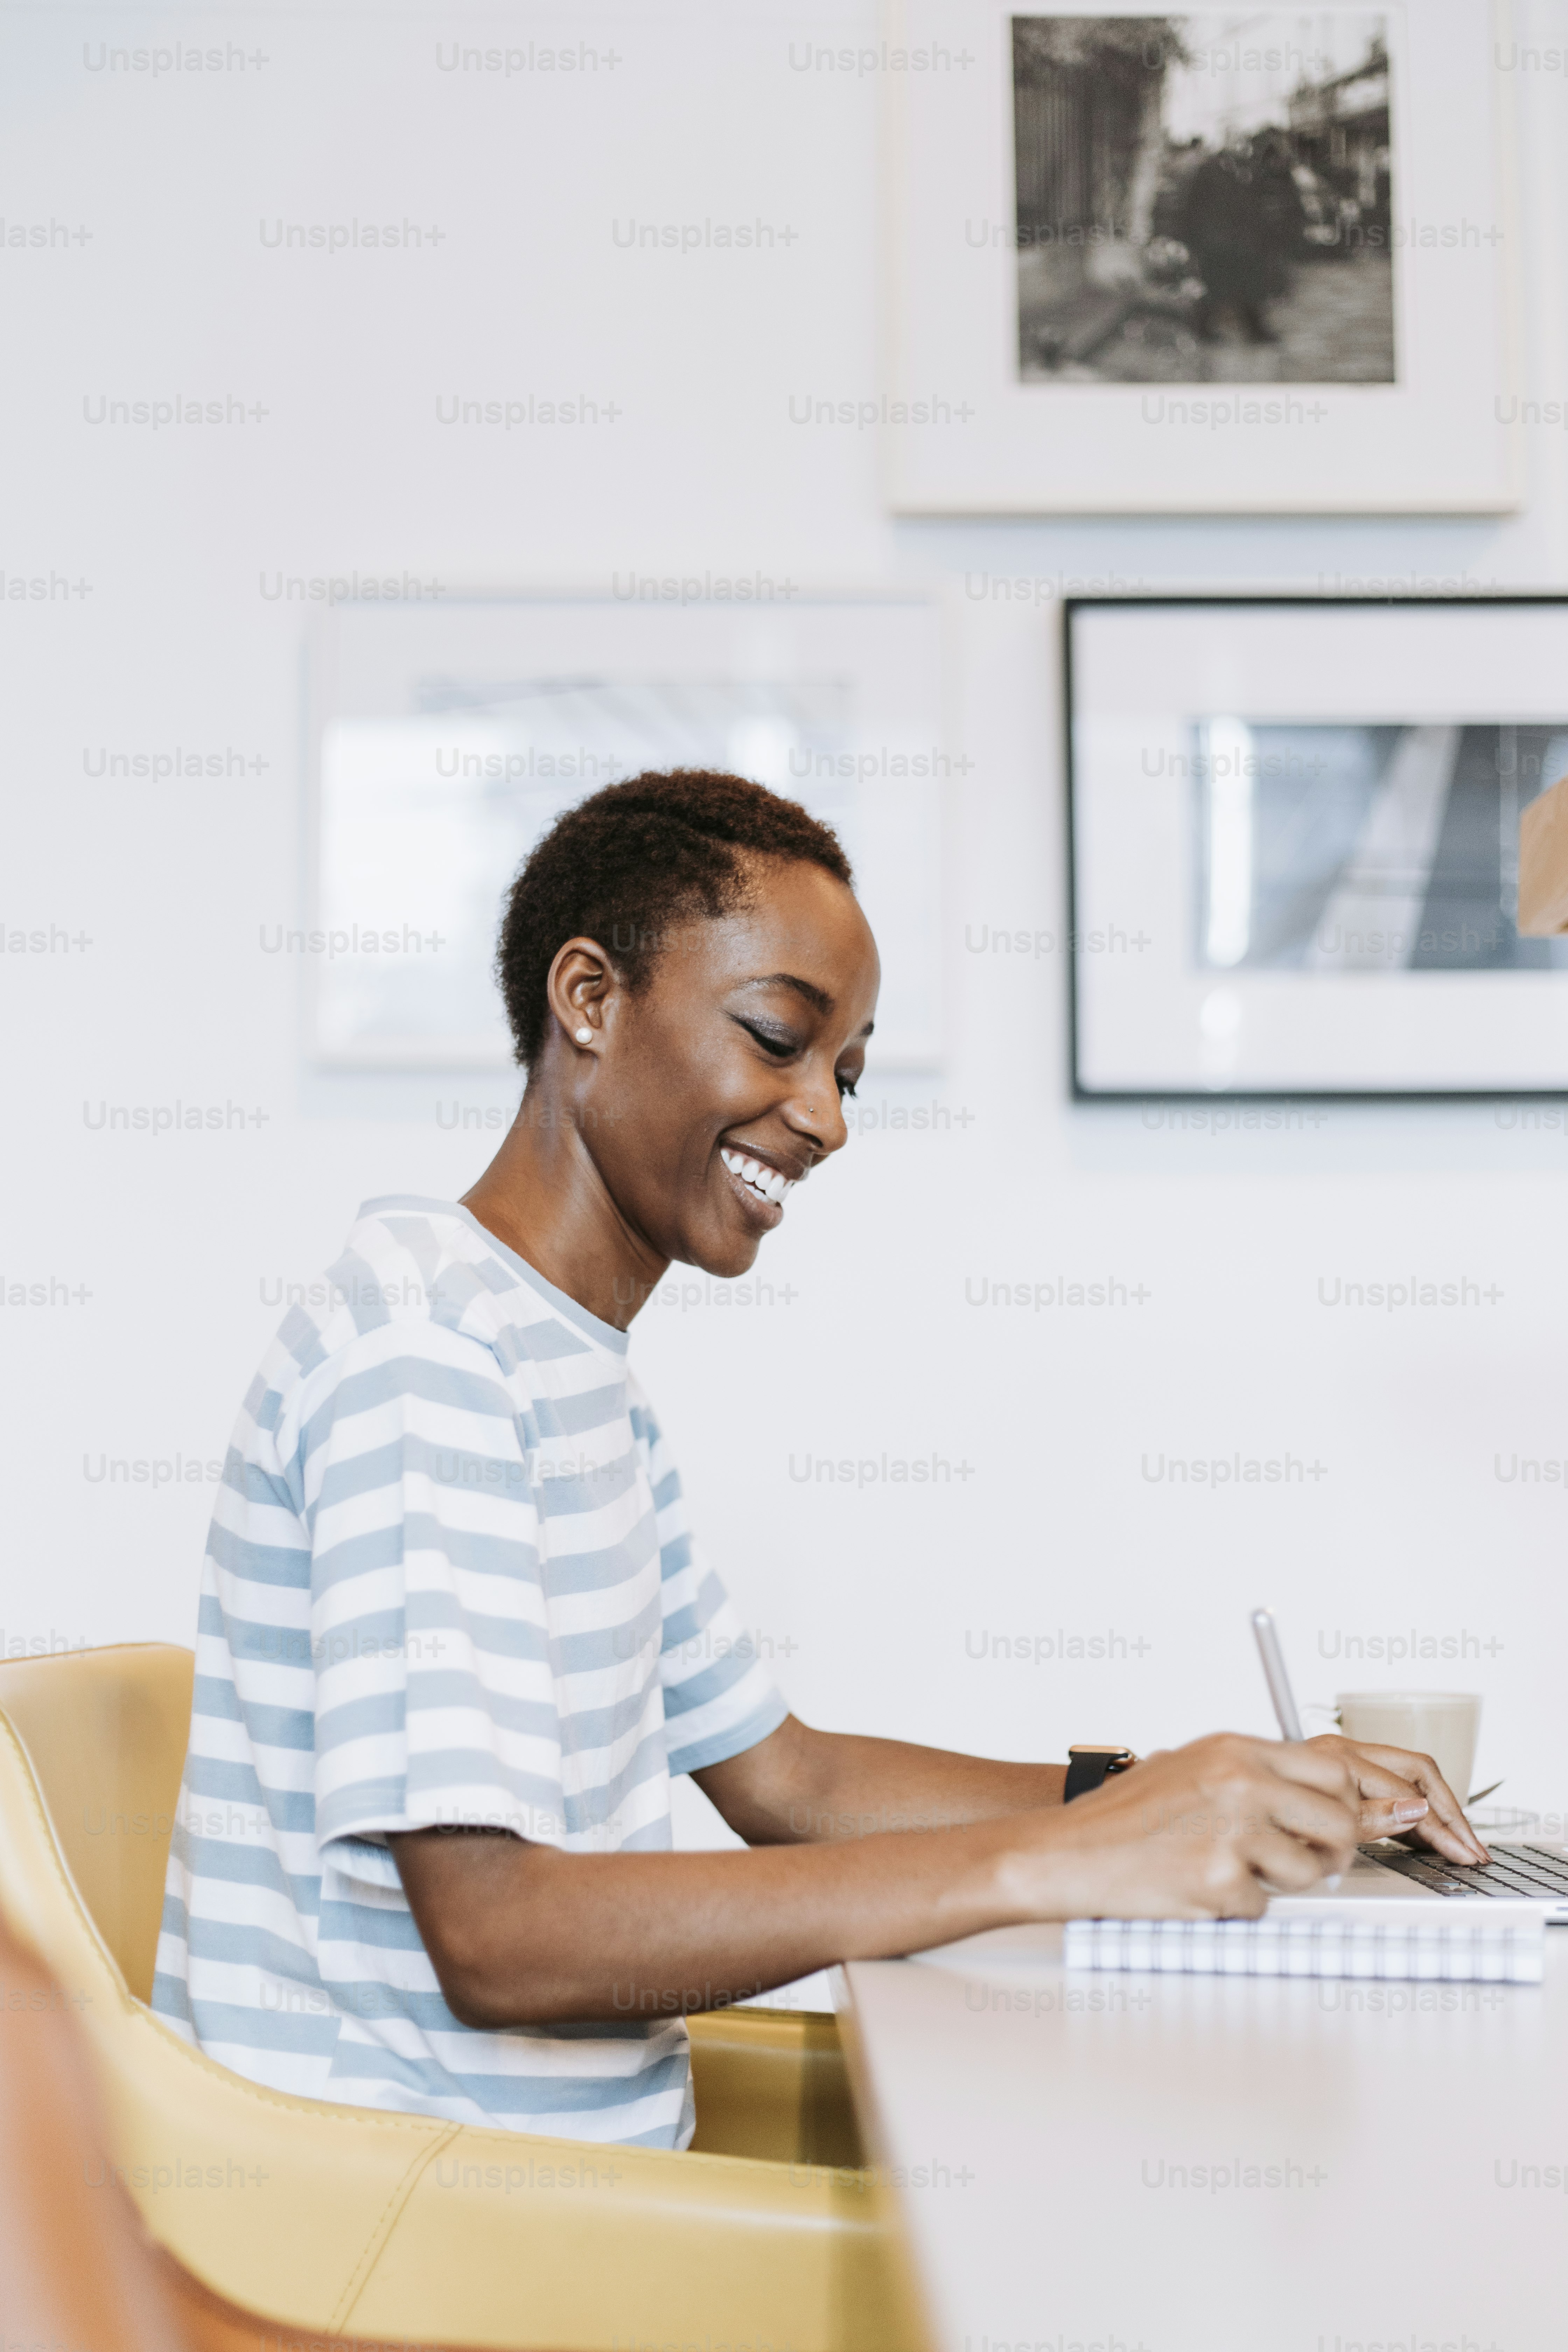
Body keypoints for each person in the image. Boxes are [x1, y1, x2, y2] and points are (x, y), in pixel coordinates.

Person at [153, 770, 1486, 2149]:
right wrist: (1064, 1860)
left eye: (844, 1073)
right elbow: (500, 1940)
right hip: (410, 2237)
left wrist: (1183, 1787)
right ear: (590, 1001)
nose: (828, 1118)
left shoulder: (553, 1360)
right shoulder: (425, 1359)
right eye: (780, 1038)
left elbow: (787, 1784)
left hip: (553, 2191)